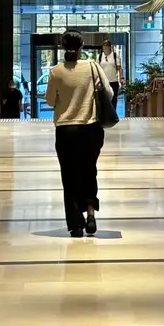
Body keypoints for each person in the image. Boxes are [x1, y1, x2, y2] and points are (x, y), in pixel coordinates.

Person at [46, 33, 112, 238]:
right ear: (82, 46)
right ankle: (91, 212)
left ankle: (76, 225)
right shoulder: (92, 67)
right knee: (89, 170)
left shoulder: (55, 72)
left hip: (66, 131)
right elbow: (108, 93)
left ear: (62, 47)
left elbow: (49, 101)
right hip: (90, 129)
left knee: (70, 176)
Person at [97, 39, 123, 106]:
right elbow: (97, 69)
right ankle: (104, 115)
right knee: (103, 100)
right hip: (103, 82)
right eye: (104, 46)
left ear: (110, 47)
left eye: (107, 46)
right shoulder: (100, 57)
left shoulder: (114, 56)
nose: (105, 47)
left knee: (113, 100)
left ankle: (113, 115)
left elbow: (119, 68)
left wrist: (122, 78)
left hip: (113, 81)